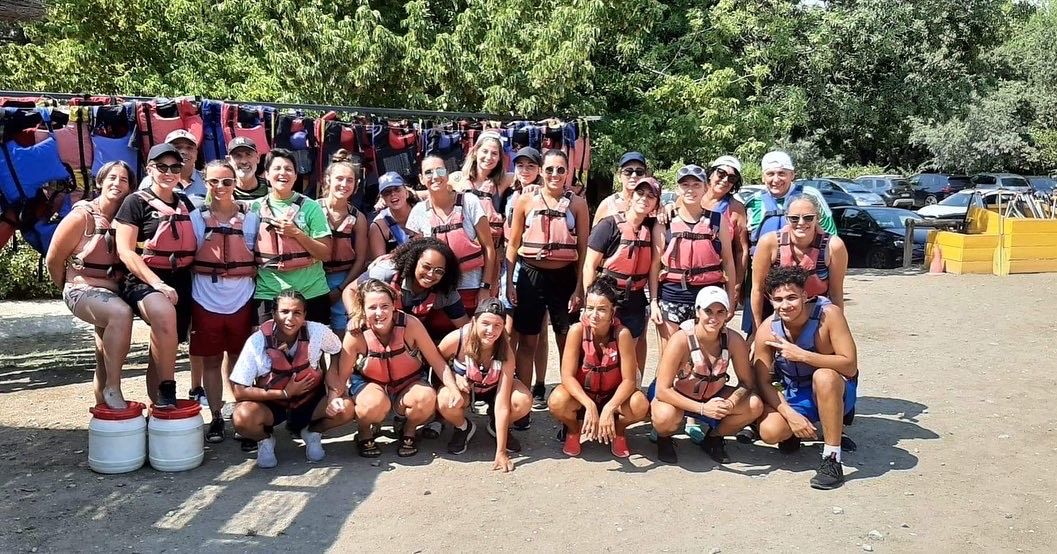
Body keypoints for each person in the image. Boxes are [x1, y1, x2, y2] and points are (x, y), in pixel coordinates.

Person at [505, 149, 590, 430]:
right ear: (542, 171)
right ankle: (524, 406)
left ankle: (571, 409)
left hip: (564, 279)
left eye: (561, 170)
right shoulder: (525, 200)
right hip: (530, 277)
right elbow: (513, 244)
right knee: (527, 342)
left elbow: (583, 249)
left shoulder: (577, 204)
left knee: (568, 343)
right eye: (550, 169)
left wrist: (580, 288)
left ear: (568, 173)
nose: (555, 175)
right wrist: (508, 283)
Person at [753, 266, 858, 490]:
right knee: (770, 432)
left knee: (824, 377)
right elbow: (762, 381)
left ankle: (832, 458)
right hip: (796, 392)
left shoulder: (829, 315)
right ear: (770, 300)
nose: (785, 305)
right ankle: (796, 430)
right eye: (778, 299)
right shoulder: (767, 330)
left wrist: (802, 355)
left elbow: (849, 366)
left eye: (792, 297)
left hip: (835, 388)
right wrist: (790, 415)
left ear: (804, 295)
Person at [230, 290, 356, 468]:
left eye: (297, 312)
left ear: (304, 315)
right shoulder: (257, 341)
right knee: (242, 417)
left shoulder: (317, 331)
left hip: (309, 400)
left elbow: (336, 350)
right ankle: (265, 440)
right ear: (273, 313)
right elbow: (239, 390)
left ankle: (312, 432)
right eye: (284, 312)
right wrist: (284, 392)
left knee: (346, 408)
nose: (290, 318)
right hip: (273, 404)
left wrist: (334, 387)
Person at [114, 143, 198, 407]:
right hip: (143, 279)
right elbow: (126, 252)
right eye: (162, 167)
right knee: (163, 313)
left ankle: (160, 406)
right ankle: (168, 388)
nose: (169, 172)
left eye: (175, 167)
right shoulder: (134, 203)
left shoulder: (185, 203)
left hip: (182, 278)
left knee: (163, 345)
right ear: (150, 168)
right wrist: (158, 283)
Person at [45, 161, 134, 409]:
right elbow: (53, 258)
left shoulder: (127, 217)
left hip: (113, 292)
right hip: (81, 289)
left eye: (124, 180)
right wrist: (67, 285)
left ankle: (102, 412)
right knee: (121, 314)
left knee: (102, 356)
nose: (117, 183)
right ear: (100, 182)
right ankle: (113, 388)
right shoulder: (81, 216)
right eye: (112, 178)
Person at [336, 279, 454, 458]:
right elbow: (342, 374)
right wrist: (336, 399)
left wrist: (453, 389)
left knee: (426, 398)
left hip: (409, 382)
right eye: (372, 307)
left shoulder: (411, 324)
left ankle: (408, 429)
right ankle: (364, 431)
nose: (379, 312)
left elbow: (437, 361)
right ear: (362, 308)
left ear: (394, 305)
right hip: (371, 385)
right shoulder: (356, 334)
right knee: (371, 405)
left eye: (384, 306)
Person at [648, 286, 763, 464]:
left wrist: (729, 403)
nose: (714, 318)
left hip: (712, 395)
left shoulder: (734, 341)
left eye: (720, 312)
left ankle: (714, 438)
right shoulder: (680, 340)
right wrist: (702, 409)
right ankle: (664, 438)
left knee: (754, 405)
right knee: (665, 417)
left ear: (727, 314)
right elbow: (662, 390)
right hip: (676, 395)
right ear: (697, 311)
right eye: (708, 311)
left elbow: (747, 383)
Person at [188, 160, 260, 442]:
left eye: (227, 182)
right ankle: (216, 417)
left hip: (241, 298)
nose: (220, 187)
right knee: (211, 360)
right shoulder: (196, 217)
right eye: (214, 182)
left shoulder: (251, 217)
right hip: (205, 299)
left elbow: (256, 253)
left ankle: (242, 414)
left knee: (240, 360)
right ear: (205, 183)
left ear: (235, 184)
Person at [546, 276, 648, 458]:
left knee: (640, 404)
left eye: (602, 309)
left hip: (612, 397)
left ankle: (618, 431)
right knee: (557, 401)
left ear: (612, 312)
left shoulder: (622, 334)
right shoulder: (577, 331)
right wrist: (589, 405)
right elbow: (567, 376)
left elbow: (629, 380)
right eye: (590, 308)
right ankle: (574, 430)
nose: (594, 315)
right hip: (584, 397)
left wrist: (609, 407)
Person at [742, 150, 837, 335]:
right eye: (770, 174)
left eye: (782, 173)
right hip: (764, 278)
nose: (776, 179)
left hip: (806, 279)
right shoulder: (753, 202)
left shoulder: (810, 196)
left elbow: (830, 234)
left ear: (792, 175)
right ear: (763, 177)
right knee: (758, 340)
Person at [406, 154, 497, 336]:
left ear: (447, 174)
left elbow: (489, 248)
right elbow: (413, 257)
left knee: (470, 341)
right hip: (436, 292)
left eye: (440, 170)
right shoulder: (417, 212)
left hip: (472, 288)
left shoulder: (469, 202)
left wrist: (486, 288)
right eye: (428, 172)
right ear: (421, 179)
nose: (435, 176)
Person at [650, 164, 736, 351]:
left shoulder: (716, 220)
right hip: (673, 294)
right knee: (670, 352)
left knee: (705, 351)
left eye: (696, 185)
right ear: (677, 188)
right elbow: (655, 265)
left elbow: (728, 262)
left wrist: (730, 298)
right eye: (685, 185)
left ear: (706, 187)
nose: (690, 190)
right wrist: (654, 302)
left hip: (709, 293)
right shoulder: (665, 222)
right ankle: (664, 381)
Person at [582, 176, 662, 376]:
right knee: (601, 347)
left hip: (634, 297)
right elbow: (589, 265)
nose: (644, 199)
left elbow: (654, 267)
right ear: (631, 196)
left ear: (656, 204)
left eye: (651, 196)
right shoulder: (608, 226)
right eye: (640, 193)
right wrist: (589, 303)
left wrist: (653, 301)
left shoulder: (652, 228)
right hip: (607, 295)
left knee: (630, 348)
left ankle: (628, 396)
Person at [250, 148, 333, 325]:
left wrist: (296, 233)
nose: (283, 173)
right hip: (269, 291)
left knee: (312, 349)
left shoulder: (311, 208)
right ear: (266, 174)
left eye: (288, 169)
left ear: (296, 176)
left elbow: (326, 254)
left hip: (312, 291)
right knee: (267, 349)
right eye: (277, 168)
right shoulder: (254, 209)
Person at [750, 193, 847, 333]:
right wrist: (757, 332)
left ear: (817, 218)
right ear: (786, 219)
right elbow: (757, 289)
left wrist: (838, 330)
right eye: (794, 218)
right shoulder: (769, 243)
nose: (801, 223)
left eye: (808, 218)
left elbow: (836, 293)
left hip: (817, 315)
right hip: (777, 313)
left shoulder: (833, 246)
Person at [501, 147, 550, 408]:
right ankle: (514, 382)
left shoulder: (542, 194)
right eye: (520, 165)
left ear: (539, 169)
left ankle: (538, 384)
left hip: (532, 264)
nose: (525, 170)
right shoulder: (509, 192)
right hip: (510, 263)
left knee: (538, 331)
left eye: (531, 166)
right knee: (512, 329)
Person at [320, 149, 369, 334]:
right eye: (339, 179)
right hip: (315, 276)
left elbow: (361, 259)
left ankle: (342, 360)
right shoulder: (312, 209)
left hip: (345, 277)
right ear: (328, 180)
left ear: (356, 186)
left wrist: (341, 289)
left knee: (342, 323)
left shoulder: (359, 218)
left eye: (349, 180)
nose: (344, 184)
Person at [701, 156, 750, 304]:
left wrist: (736, 286)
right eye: (721, 174)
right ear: (711, 174)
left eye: (731, 178)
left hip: (718, 279)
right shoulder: (692, 197)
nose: (724, 180)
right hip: (687, 278)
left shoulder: (735, 208)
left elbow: (742, 250)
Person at [455, 130, 512, 245]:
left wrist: (533, 187)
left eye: (494, 153)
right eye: (485, 151)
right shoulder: (457, 179)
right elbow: (432, 190)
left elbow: (530, 177)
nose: (489, 157)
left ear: (500, 158)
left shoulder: (504, 180)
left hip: (490, 250)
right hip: (463, 248)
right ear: (475, 152)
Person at [139, 130, 206, 202]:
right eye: (177, 147)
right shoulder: (150, 181)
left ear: (196, 153)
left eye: (189, 148)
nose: (183, 152)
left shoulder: (207, 180)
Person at [368, 171, 417, 258]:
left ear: (406, 192)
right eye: (387, 192)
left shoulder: (421, 210)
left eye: (397, 189)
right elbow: (380, 262)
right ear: (382, 199)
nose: (393, 194)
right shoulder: (378, 226)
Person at [593, 151, 648, 224]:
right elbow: (595, 234)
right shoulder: (608, 204)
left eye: (639, 172)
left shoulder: (650, 203)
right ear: (619, 176)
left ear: (645, 176)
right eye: (628, 171)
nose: (634, 175)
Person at [227, 136, 270, 201]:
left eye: (248, 154)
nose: (244, 161)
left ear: (257, 158)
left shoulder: (270, 189)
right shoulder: (223, 190)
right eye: (237, 156)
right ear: (229, 160)